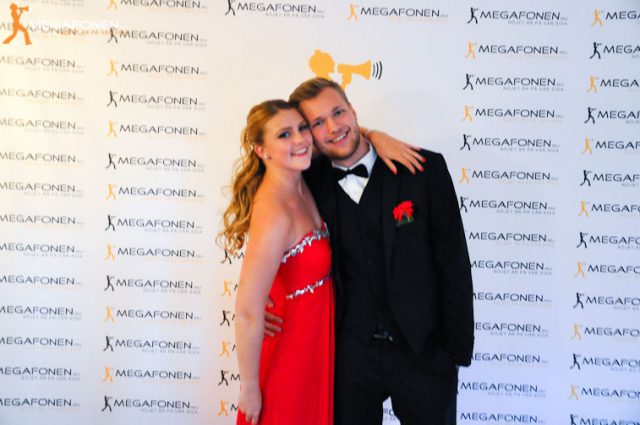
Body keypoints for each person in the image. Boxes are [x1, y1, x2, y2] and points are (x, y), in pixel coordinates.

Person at [266, 78, 474, 424]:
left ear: (353, 111)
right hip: (349, 355)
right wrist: (262, 301)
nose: (333, 127)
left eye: (338, 112)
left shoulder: (422, 169)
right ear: (309, 135)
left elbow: (453, 262)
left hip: (423, 351)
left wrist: (454, 353)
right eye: (318, 123)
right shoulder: (305, 184)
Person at [219, 99, 422, 425]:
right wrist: (250, 387)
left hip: (319, 342)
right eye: (284, 134)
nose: (300, 139)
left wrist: (375, 136)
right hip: (291, 349)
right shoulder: (272, 212)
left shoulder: (303, 176)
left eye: (302, 128)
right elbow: (246, 311)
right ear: (261, 150)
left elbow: (340, 136)